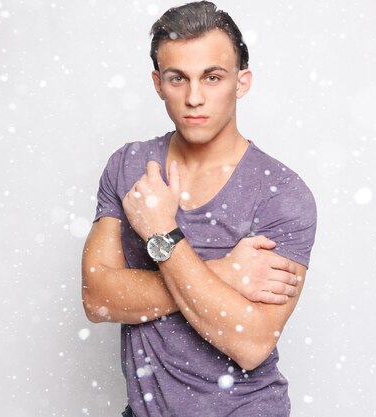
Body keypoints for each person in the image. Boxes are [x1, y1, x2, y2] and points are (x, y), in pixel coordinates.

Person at [81, 2, 317, 416]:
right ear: (158, 83)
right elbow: (98, 299)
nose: (193, 97)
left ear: (242, 82)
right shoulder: (128, 167)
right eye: (178, 78)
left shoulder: (281, 193)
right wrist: (226, 271)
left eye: (212, 77)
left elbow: (250, 343)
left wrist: (162, 234)